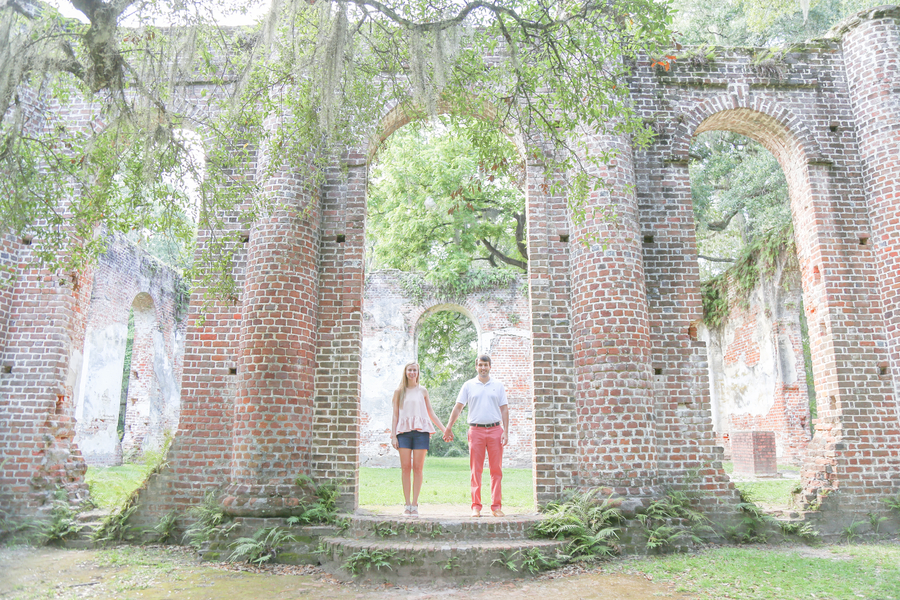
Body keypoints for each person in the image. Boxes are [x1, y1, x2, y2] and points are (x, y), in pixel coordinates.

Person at [443, 354, 508, 517]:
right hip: (476, 430)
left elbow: (504, 409)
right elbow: (458, 407)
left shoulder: (498, 385)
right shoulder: (468, 385)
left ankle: (496, 507)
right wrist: (448, 427)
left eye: (486, 365)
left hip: (495, 430)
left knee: (496, 470)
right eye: (480, 365)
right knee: (476, 470)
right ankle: (476, 506)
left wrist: (506, 431)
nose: (483, 368)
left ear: (490, 366)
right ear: (476, 367)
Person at [390, 362, 447, 517]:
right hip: (403, 433)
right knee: (406, 468)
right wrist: (393, 435)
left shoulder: (423, 391)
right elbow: (395, 414)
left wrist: (445, 429)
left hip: (421, 432)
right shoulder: (398, 391)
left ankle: (415, 504)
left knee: (418, 468)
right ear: (406, 372)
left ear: (418, 372)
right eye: (410, 370)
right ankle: (407, 504)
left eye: (415, 370)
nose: (412, 372)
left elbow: (431, 413)